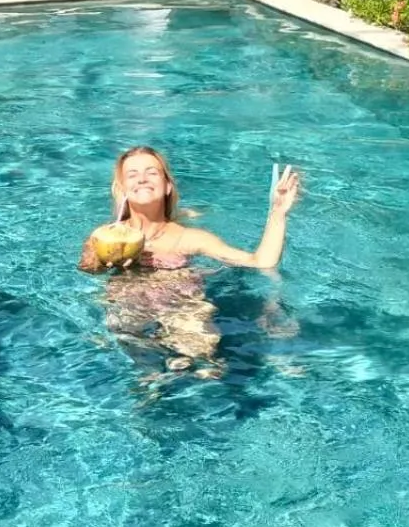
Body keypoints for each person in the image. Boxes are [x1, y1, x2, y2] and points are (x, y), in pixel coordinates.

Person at [79, 148, 301, 375]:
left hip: (181, 305)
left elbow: (261, 262)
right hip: (129, 306)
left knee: (201, 359)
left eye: (152, 172)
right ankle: (152, 378)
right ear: (122, 189)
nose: (142, 178)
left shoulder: (191, 238)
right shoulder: (105, 236)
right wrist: (104, 262)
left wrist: (278, 212)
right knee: (133, 352)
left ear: (167, 186)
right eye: (132, 174)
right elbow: (87, 269)